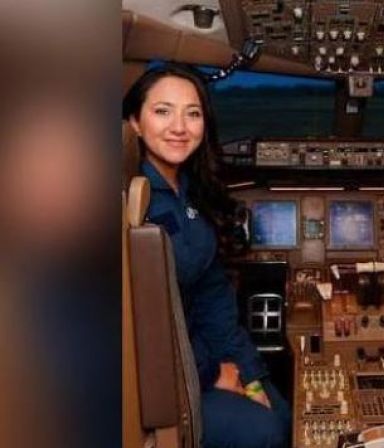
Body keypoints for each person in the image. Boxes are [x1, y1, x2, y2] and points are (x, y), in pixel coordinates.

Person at [123, 64, 290, 448]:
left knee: (280, 413)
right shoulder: (132, 205)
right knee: (263, 431)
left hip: (202, 350)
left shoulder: (188, 190)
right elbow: (150, 323)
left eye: (192, 113)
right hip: (167, 372)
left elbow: (213, 295)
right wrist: (214, 373)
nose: (179, 126)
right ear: (134, 121)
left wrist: (249, 372)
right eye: (162, 111)